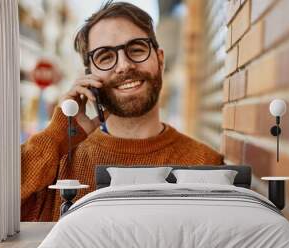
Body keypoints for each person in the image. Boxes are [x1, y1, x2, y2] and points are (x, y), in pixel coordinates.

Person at [21, 1, 224, 222]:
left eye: (136, 49)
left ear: (160, 60)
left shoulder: (205, 163)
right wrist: (57, 135)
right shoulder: (57, 163)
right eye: (105, 56)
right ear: (89, 75)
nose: (124, 65)